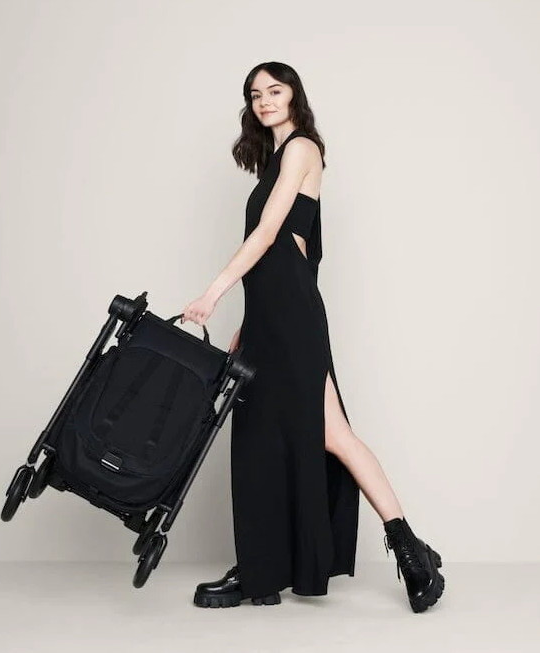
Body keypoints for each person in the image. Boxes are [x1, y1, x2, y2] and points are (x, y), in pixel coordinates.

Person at [181, 61, 445, 613]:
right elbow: (286, 259)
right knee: (264, 436)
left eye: (274, 90)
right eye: (255, 94)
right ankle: (263, 567)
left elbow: (270, 236)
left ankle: (409, 551)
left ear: (294, 95)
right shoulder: (274, 160)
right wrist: (248, 323)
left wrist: (213, 292)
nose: (264, 100)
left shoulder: (302, 148)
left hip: (292, 315)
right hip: (273, 313)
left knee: (330, 435)